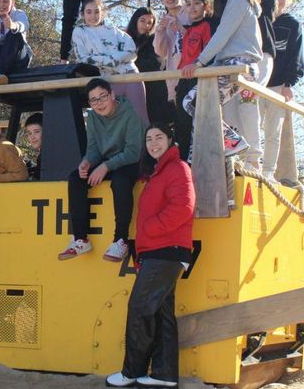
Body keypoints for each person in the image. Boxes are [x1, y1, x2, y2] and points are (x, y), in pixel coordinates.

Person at [105, 124, 194, 388]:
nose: (153, 143)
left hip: (165, 251)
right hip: (162, 252)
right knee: (160, 313)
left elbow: (183, 208)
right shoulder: (158, 172)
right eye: (148, 139)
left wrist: (149, 228)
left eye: (159, 138)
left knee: (139, 308)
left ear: (170, 140)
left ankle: (131, 371)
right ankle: (164, 375)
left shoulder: (177, 168)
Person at [181, 0, 263, 166]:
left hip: (239, 63)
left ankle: (228, 144)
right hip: (229, 63)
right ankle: (218, 146)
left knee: (196, 103)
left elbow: (222, 35)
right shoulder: (235, 3)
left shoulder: (238, 1)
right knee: (196, 103)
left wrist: (199, 62)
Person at [59, 78, 143, 262]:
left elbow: (133, 152)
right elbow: (94, 149)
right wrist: (87, 162)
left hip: (131, 161)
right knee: (75, 177)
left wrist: (105, 166)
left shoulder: (130, 115)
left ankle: (120, 240)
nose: (99, 103)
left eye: (102, 97)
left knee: (120, 181)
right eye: (94, 100)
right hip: (108, 161)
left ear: (112, 95)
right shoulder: (93, 117)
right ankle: (80, 238)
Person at [70, 0, 147, 124]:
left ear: (102, 12)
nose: (93, 16)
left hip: (130, 75)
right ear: (82, 13)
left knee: (139, 117)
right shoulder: (79, 32)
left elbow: (131, 51)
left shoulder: (113, 29)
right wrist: (110, 60)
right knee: (114, 122)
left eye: (97, 11)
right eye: (89, 12)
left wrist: (113, 59)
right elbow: (83, 58)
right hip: (107, 81)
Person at [261, 0, 304, 180]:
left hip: (278, 85)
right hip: (256, 81)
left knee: (273, 131)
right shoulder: (260, 18)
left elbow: (296, 56)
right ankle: (248, 164)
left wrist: (289, 83)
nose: (280, 0)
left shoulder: (292, 24)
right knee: (250, 127)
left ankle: (268, 171)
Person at [174, 0, 215, 161]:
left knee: (195, 124)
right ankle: (183, 161)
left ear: (206, 6)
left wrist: (199, 65)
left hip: (197, 80)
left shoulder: (207, 26)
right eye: (188, 3)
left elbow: (209, 53)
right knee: (181, 124)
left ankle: (197, 161)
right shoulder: (188, 30)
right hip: (183, 79)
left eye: (197, 3)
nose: (192, 7)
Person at [153, 0, 192, 124]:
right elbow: (160, 52)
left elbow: (200, 39)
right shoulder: (163, 20)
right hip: (174, 76)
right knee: (182, 122)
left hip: (194, 72)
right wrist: (160, 31)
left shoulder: (190, 12)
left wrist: (181, 27)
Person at [126, 7, 168, 125]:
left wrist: (131, 66)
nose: (146, 25)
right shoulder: (124, 40)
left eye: (150, 22)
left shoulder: (153, 40)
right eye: (142, 20)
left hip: (153, 92)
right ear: (135, 21)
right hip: (131, 91)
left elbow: (156, 62)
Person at [23, 112, 43, 181]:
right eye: (29, 133)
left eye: (36, 132)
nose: (32, 137)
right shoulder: (42, 155)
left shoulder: (46, 157)